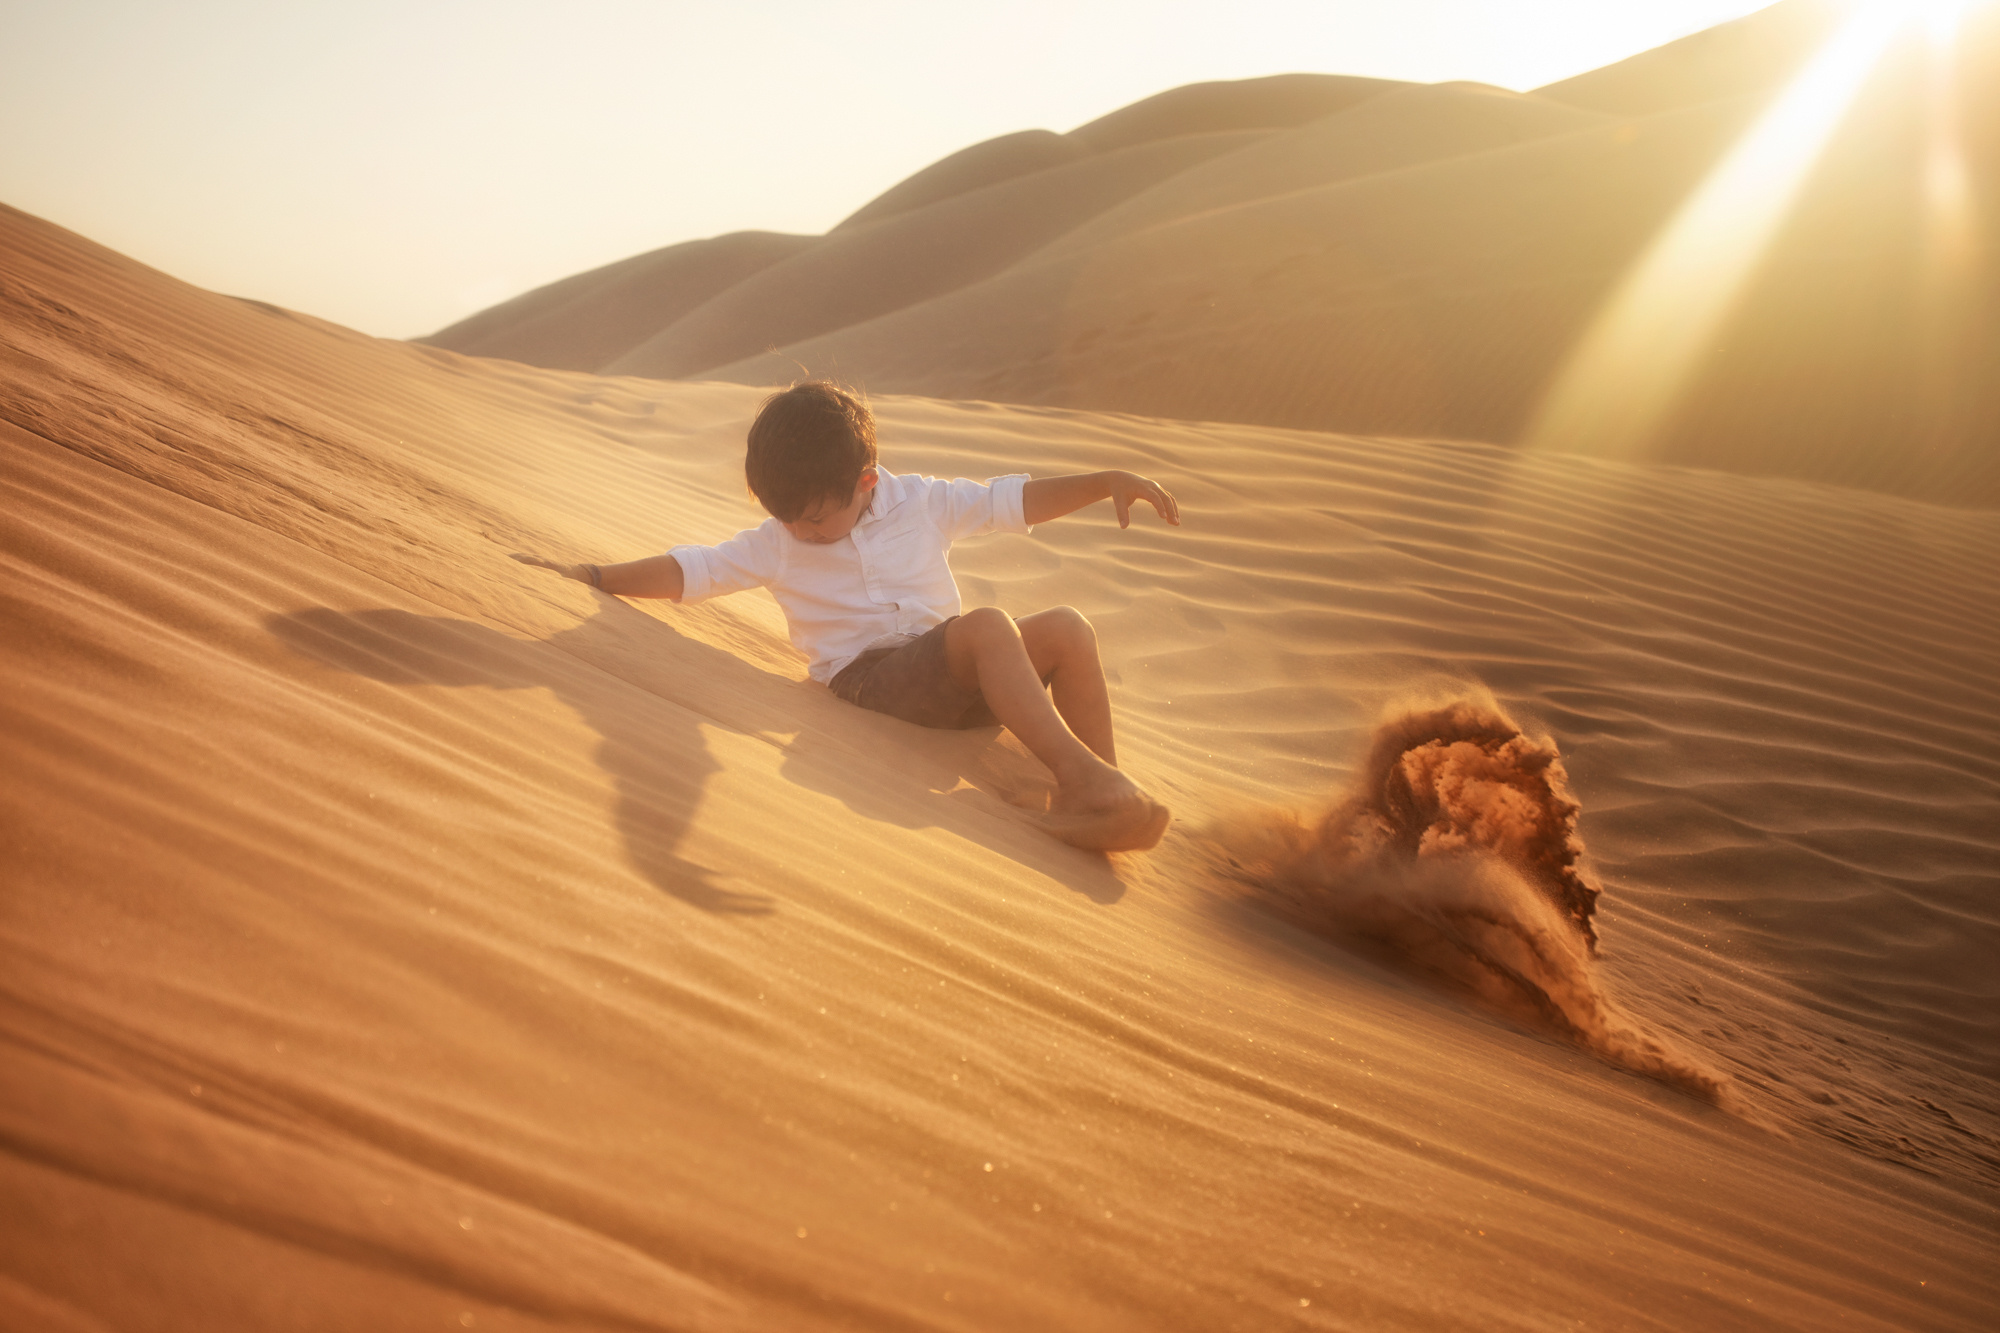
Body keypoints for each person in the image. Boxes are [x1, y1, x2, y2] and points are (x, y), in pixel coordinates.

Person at [512, 381, 1180, 851]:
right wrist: (597, 577)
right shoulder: (779, 541)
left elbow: (1013, 502)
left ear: (865, 482)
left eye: (812, 518)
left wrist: (1103, 482)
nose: (797, 531)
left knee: (1066, 625)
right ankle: (1089, 782)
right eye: (785, 518)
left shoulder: (921, 501)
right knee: (986, 626)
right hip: (872, 683)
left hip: (965, 675)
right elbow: (695, 569)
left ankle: (1096, 790)